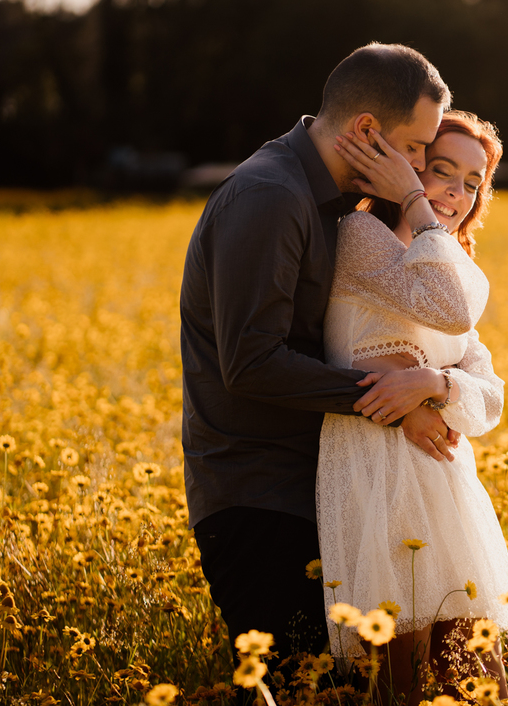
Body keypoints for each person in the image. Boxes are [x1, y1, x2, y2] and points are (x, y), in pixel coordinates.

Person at [179, 43, 465, 680]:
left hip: (315, 485)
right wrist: (393, 403)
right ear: (366, 129)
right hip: (259, 495)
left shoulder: (333, 204)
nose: (420, 167)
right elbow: (251, 362)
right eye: (415, 147)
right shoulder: (269, 195)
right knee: (293, 687)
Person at [317, 111, 508, 704]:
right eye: (440, 171)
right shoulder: (361, 236)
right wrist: (413, 200)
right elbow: (451, 312)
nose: (455, 193)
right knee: (398, 684)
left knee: (477, 682)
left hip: (444, 485)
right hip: (378, 474)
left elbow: (489, 400)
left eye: (471, 183)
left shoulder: (445, 264)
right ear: (405, 166)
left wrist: (433, 382)